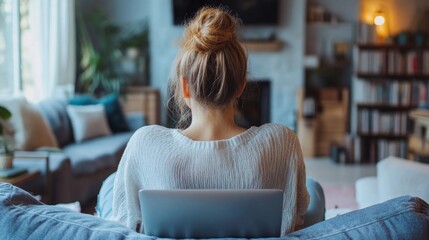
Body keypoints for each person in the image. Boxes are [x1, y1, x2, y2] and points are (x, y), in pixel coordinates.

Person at [102, 7, 310, 235]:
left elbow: (124, 225)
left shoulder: (144, 143)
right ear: (241, 85)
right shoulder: (282, 142)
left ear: (184, 87)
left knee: (111, 185)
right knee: (314, 190)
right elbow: (294, 221)